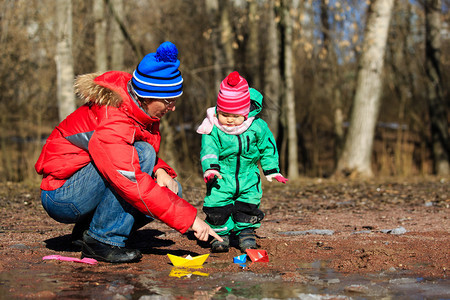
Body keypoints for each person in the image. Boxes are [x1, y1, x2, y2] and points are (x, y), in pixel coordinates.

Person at [35, 41, 222, 263]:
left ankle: (86, 233)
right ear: (148, 95)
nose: (172, 107)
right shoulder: (113, 119)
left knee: (171, 188)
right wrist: (191, 220)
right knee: (141, 159)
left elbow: (124, 154)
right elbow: (129, 173)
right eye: (168, 101)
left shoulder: (139, 110)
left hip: (84, 185)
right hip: (63, 195)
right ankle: (101, 241)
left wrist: (160, 169)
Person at [196, 71, 287, 253]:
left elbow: (267, 148)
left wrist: (271, 170)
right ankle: (220, 236)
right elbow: (209, 150)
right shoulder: (213, 128)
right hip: (222, 176)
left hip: (249, 175)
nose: (230, 119)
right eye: (224, 114)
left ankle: (246, 233)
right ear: (218, 111)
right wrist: (211, 169)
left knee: (248, 205)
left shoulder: (257, 127)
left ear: (246, 113)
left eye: (236, 115)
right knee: (217, 207)